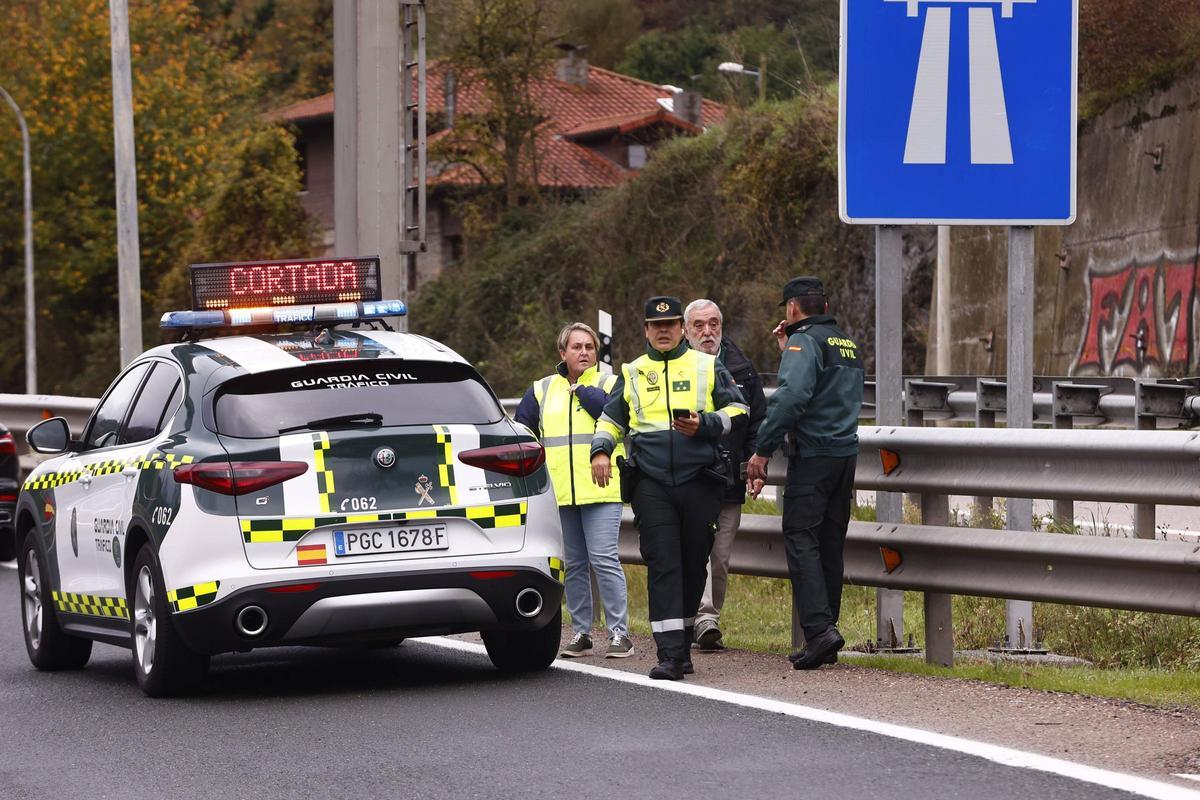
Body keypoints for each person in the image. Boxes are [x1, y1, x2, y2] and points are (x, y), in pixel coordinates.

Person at [590, 296, 748, 680]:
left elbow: (739, 410)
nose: (663, 331)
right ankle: (670, 654)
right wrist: (601, 451)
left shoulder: (707, 365)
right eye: (656, 326)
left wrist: (705, 424)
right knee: (663, 563)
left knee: (694, 563)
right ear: (646, 330)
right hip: (652, 483)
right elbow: (611, 419)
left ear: (681, 329)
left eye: (670, 325)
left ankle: (684, 641)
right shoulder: (632, 372)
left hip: (699, 480)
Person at [745, 277, 864, 670]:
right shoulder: (845, 343)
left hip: (813, 456)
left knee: (800, 537)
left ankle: (819, 631)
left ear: (792, 308)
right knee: (829, 544)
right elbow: (827, 390)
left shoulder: (805, 342)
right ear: (825, 306)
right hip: (845, 456)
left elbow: (792, 398)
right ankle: (826, 635)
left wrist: (763, 448)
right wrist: (789, 351)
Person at [515, 322, 633, 659]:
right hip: (560, 493)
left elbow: (618, 418)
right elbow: (522, 431)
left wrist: (583, 392)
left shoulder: (609, 383)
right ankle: (582, 632)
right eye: (577, 347)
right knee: (575, 565)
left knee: (604, 560)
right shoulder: (542, 389)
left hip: (601, 489)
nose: (584, 352)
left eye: (590, 347)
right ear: (562, 352)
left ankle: (620, 634)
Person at [683, 299, 767, 651]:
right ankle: (702, 618)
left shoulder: (741, 369)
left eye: (714, 324)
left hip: (730, 478)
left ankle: (707, 617)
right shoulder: (675, 367)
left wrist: (755, 465)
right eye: (699, 325)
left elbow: (757, 421)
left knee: (720, 557)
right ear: (686, 331)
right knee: (695, 550)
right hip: (690, 477)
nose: (708, 332)